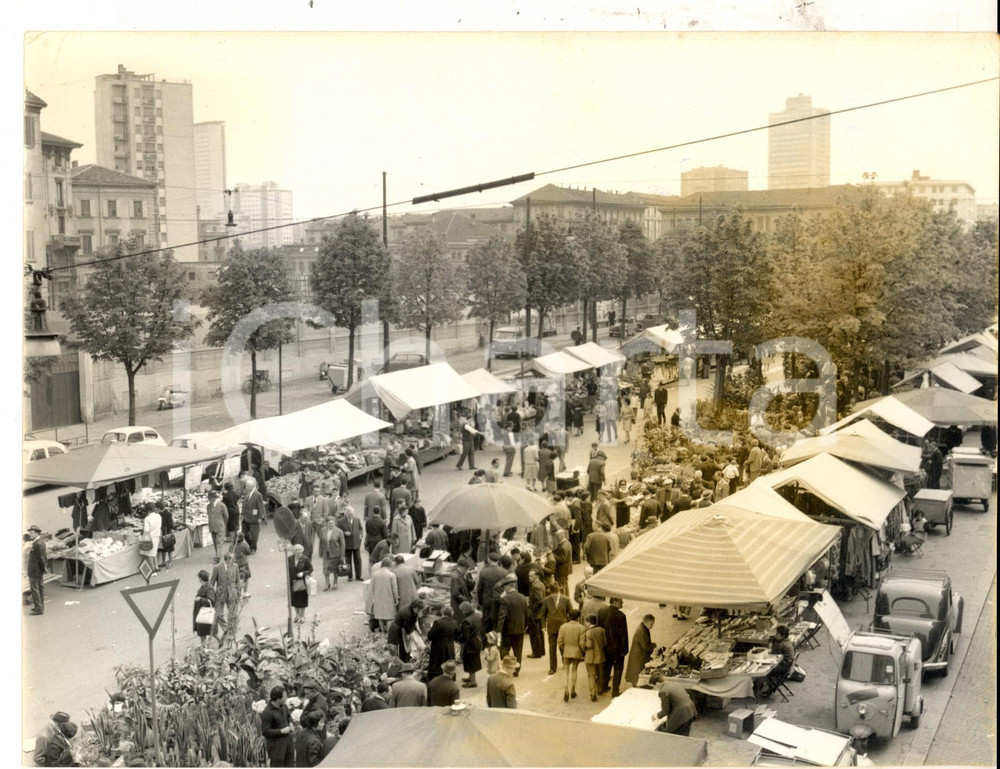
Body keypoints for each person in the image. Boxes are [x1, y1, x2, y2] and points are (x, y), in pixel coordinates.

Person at [598, 597, 629, 697]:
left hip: (605, 647)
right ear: (615, 601)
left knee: (606, 667)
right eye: (621, 601)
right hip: (617, 648)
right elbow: (624, 635)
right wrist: (624, 650)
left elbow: (599, 629)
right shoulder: (621, 616)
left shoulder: (601, 611)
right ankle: (615, 691)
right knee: (618, 669)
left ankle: (604, 685)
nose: (622, 603)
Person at [495, 582, 528, 672]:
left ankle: (508, 666)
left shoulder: (505, 599)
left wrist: (499, 630)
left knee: (504, 648)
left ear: (508, 587)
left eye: (504, 587)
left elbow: (502, 616)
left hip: (507, 630)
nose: (504, 589)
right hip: (520, 629)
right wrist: (525, 626)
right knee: (518, 651)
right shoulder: (522, 597)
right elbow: (527, 614)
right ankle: (517, 670)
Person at [260, 685, 295, 767]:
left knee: (290, 765)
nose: (286, 699)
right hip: (276, 747)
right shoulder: (267, 712)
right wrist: (281, 731)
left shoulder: (283, 706)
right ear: (278, 699)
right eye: (284, 697)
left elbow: (289, 716)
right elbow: (265, 731)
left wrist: (290, 723)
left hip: (288, 743)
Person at [759, 625, 796, 698]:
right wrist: (772, 639)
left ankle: (771, 688)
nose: (775, 635)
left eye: (777, 634)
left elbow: (773, 654)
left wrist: (770, 644)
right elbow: (774, 639)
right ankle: (772, 686)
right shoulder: (788, 641)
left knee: (766, 671)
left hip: (784, 667)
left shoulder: (781, 644)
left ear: (783, 636)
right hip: (788, 665)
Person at [210, 551, 241, 638]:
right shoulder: (217, 568)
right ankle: (226, 629)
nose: (234, 561)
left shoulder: (235, 566)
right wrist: (211, 595)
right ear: (227, 560)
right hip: (220, 594)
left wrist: (238, 592)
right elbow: (211, 582)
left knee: (232, 614)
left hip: (232, 593)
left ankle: (231, 632)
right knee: (218, 614)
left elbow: (238, 580)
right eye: (232, 559)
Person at [557, 608, 585, 701]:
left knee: (565, 672)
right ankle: (573, 689)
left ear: (569, 616)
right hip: (577, 652)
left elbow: (560, 641)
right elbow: (582, 643)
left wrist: (563, 650)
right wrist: (583, 652)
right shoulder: (581, 628)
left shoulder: (563, 627)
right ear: (578, 617)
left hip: (566, 651)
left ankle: (566, 690)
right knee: (574, 670)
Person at [426, 606, 459, 680]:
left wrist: (430, 629)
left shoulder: (437, 622)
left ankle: (436, 680)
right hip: (449, 646)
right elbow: (456, 636)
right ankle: (450, 679)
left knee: (437, 664)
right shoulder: (454, 622)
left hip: (438, 646)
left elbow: (430, 636)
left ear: (442, 612)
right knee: (449, 663)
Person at [370, 556, 400, 633]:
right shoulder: (391, 575)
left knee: (380, 617)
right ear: (390, 565)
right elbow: (394, 588)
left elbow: (371, 587)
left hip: (378, 597)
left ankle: (382, 632)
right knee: (389, 617)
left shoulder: (375, 574)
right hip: (388, 598)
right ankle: (388, 634)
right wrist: (396, 598)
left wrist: (372, 598)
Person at [625, 614, 657, 688]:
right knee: (637, 672)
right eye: (651, 624)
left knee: (636, 672)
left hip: (638, 654)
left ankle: (637, 685)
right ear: (646, 622)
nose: (652, 626)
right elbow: (646, 646)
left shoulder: (643, 628)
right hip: (638, 656)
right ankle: (637, 686)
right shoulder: (641, 631)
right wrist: (654, 645)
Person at [581, 613, 607, 701]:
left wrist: (582, 645)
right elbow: (605, 643)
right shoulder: (602, 630)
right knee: (600, 674)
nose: (585, 624)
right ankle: (599, 689)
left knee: (591, 675)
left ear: (589, 622)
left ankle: (593, 693)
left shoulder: (588, 632)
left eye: (585, 622)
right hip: (600, 656)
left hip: (590, 657)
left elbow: (589, 644)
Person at [457, 601, 484, 687]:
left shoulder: (467, 621)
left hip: (470, 643)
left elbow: (465, 636)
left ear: (465, 610)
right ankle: (471, 678)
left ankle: (472, 682)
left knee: (470, 661)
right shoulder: (478, 615)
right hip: (478, 640)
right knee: (474, 660)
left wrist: (458, 639)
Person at [336, 507, 364, 581]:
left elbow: (360, 528)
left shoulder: (357, 519)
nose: (350, 516)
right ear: (346, 513)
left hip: (356, 543)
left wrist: (361, 535)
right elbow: (337, 531)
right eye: (349, 514)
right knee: (348, 560)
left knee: (358, 560)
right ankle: (350, 576)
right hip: (346, 544)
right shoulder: (340, 521)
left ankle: (358, 575)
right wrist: (344, 533)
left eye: (352, 514)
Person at [26, 525, 48, 615]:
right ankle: (40, 606)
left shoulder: (37, 544)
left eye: (31, 533)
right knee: (40, 588)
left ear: (36, 533)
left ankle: (38, 608)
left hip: (35, 570)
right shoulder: (40, 542)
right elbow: (43, 558)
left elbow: (41, 558)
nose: (30, 535)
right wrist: (43, 569)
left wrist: (43, 568)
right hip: (38, 569)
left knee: (35, 588)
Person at [241, 478, 267, 554]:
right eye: (246, 486)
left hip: (254, 518)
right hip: (246, 517)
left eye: (247, 486)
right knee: (245, 533)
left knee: (254, 534)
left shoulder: (258, 495)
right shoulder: (246, 493)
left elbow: (261, 506)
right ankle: (250, 545)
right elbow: (243, 505)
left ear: (252, 486)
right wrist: (242, 514)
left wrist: (260, 517)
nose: (246, 488)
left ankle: (253, 548)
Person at [289, 544, 313, 624]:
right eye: (297, 553)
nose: (299, 554)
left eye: (300, 553)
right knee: (294, 600)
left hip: (302, 582)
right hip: (293, 582)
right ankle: (297, 614)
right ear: (294, 552)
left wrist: (303, 573)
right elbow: (288, 569)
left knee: (302, 599)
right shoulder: (290, 559)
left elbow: (310, 569)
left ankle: (302, 616)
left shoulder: (305, 559)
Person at [193, 569, 217, 645]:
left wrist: (201, 599)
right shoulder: (205, 586)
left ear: (200, 578)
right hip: (202, 614)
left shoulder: (208, 588)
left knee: (203, 634)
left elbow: (211, 601)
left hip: (204, 615)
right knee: (204, 633)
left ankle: (204, 650)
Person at [141, 503, 162, 575]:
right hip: (157, 535)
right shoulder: (158, 516)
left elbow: (146, 530)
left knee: (149, 554)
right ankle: (156, 566)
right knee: (154, 552)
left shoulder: (147, 518)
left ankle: (152, 569)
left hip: (150, 537)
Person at [207, 490, 228, 558]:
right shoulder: (208, 506)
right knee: (215, 543)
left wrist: (223, 524)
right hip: (212, 527)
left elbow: (226, 516)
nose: (208, 500)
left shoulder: (222, 505)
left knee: (219, 542)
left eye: (209, 498)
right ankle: (218, 554)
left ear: (213, 498)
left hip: (220, 526)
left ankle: (218, 557)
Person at [553, 529, 573, 597]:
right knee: (565, 583)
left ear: (562, 535)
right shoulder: (567, 543)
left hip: (562, 570)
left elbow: (562, 559)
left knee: (561, 585)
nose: (556, 538)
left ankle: (563, 599)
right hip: (566, 568)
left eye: (557, 536)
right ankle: (567, 597)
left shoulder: (563, 547)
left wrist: (553, 555)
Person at [233, 532, 253, 598]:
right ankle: (245, 592)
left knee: (236, 579)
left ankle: (237, 593)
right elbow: (248, 552)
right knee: (245, 579)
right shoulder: (244, 545)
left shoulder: (233, 545)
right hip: (244, 564)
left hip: (235, 564)